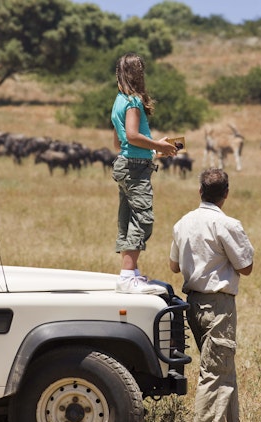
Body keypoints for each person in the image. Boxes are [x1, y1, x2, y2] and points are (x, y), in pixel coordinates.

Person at [169, 168, 254, 422]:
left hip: (192, 303)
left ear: (200, 191)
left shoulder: (182, 223)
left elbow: (173, 266)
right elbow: (246, 267)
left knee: (222, 370)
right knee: (214, 374)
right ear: (226, 194)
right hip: (219, 306)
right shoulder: (227, 224)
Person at [111, 52, 177, 294]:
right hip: (136, 168)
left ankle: (130, 273)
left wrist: (152, 147)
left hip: (125, 164)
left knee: (128, 218)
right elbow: (131, 135)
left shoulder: (118, 101)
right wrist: (158, 146)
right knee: (142, 218)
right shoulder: (133, 102)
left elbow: (120, 144)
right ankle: (128, 277)